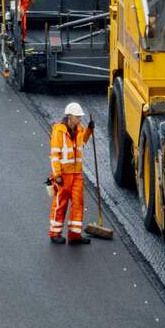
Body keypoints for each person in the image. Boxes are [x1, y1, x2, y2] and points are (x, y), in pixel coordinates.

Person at [48, 102, 95, 244]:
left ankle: (75, 235)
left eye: (80, 117)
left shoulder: (80, 130)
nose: (80, 119)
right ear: (70, 116)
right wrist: (57, 175)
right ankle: (54, 233)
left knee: (78, 203)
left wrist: (89, 131)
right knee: (60, 203)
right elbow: (55, 155)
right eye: (77, 117)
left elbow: (83, 142)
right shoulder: (59, 131)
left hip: (76, 174)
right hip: (63, 175)